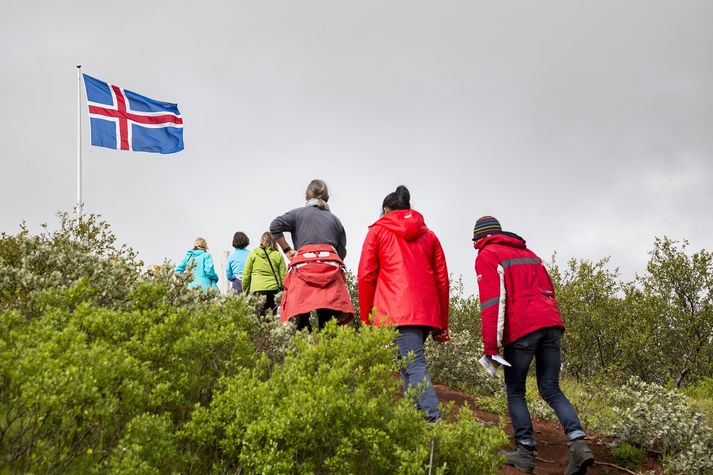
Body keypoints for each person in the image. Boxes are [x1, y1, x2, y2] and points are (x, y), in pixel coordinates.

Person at [472, 216, 594, 475]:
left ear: (479, 239)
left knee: (515, 389)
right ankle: (578, 444)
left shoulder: (488, 254)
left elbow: (493, 303)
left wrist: (490, 348)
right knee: (551, 388)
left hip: (523, 329)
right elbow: (549, 291)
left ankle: (525, 453)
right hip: (551, 324)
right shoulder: (531, 254)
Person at [358, 186, 450, 422]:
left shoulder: (378, 231)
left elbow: (366, 275)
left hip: (395, 309)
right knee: (406, 363)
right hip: (425, 311)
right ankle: (413, 419)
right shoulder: (429, 236)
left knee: (413, 363)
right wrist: (442, 323)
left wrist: (366, 316)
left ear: (386, 210)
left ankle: (432, 418)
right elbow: (442, 280)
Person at [269, 179, 354, 331]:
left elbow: (275, 226)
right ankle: (326, 350)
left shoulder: (297, 214)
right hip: (329, 270)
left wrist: (287, 249)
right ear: (327, 197)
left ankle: (304, 346)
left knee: (301, 320)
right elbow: (341, 252)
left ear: (306, 197)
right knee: (327, 321)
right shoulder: (335, 220)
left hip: (303, 270)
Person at [242, 232, 286, 316]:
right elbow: (284, 276)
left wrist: (246, 291)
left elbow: (246, 274)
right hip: (273, 290)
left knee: (258, 317)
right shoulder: (278, 255)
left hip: (257, 290)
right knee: (271, 318)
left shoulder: (253, 253)